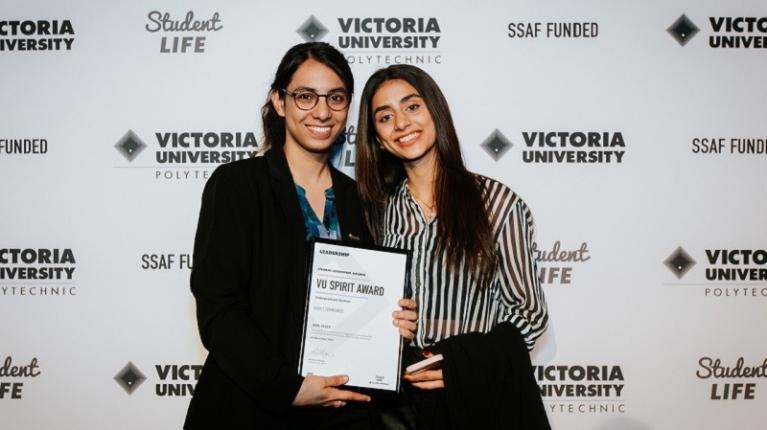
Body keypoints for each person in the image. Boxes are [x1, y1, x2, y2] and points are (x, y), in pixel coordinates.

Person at [184, 42, 417, 430]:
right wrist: (288, 387)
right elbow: (217, 308)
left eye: (336, 98)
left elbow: (367, 301)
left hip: (343, 411)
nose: (322, 111)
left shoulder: (360, 199)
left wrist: (395, 322)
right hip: (250, 408)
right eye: (306, 96)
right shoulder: (238, 186)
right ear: (279, 101)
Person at [356, 64, 551, 429]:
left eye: (412, 107)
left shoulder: (497, 204)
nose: (401, 123)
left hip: (478, 400)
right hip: (398, 407)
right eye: (385, 116)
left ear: (435, 111)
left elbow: (529, 313)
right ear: (378, 138)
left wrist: (459, 366)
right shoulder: (374, 217)